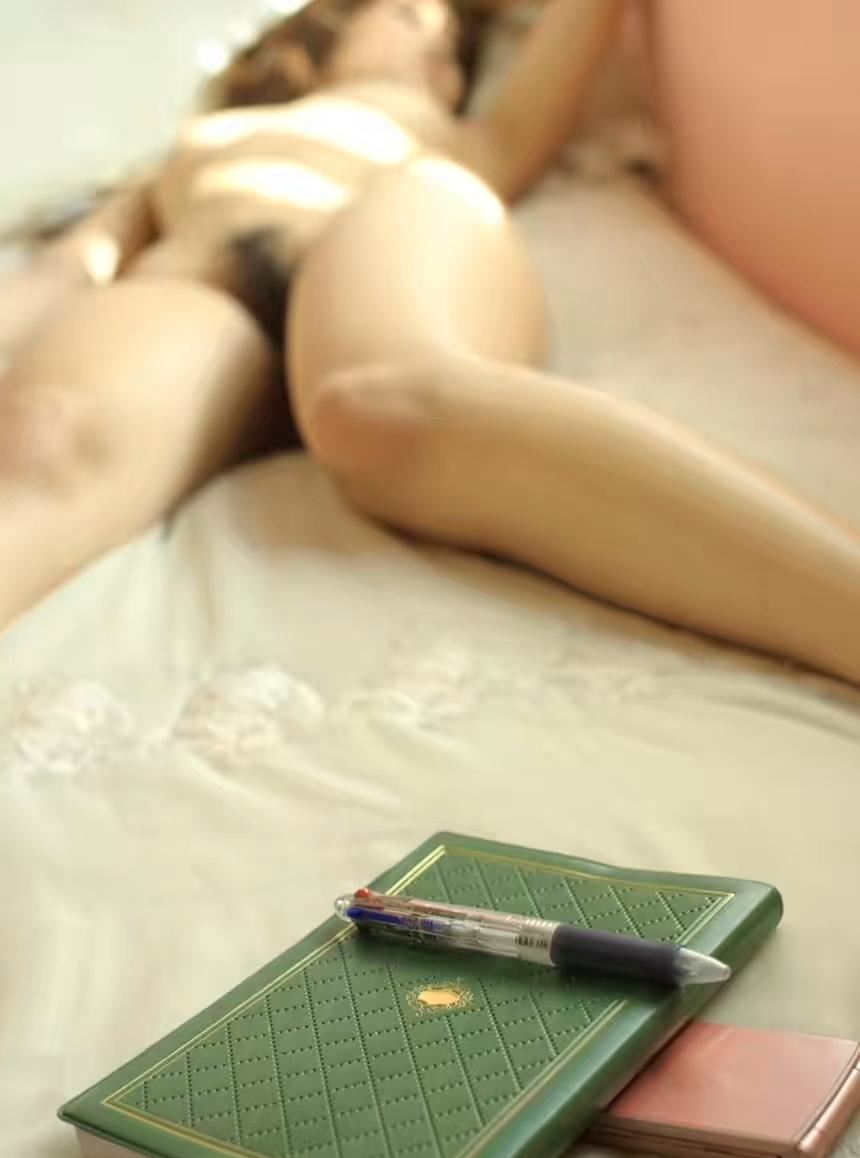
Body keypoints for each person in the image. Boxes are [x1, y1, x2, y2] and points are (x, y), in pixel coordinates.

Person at [0, 0, 857, 685]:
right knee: (44, 436)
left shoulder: (464, 134)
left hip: (387, 228)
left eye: (455, 50)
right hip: (204, 282)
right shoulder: (200, 145)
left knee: (381, 405)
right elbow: (70, 267)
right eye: (413, 16)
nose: (440, 50)